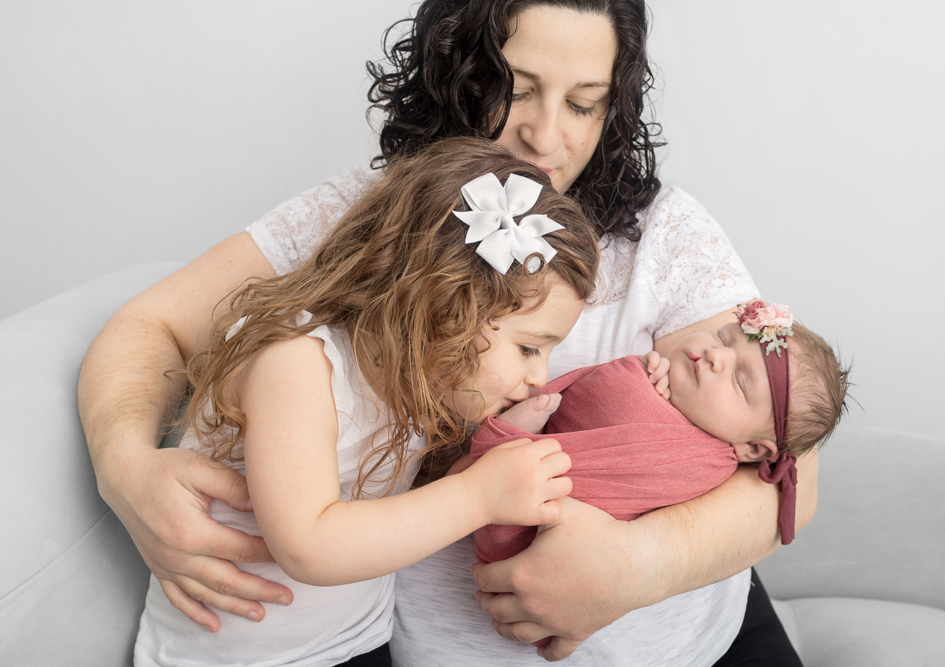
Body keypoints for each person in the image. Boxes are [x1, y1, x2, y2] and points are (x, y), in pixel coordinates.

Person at [79, 1, 818, 665]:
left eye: (585, 103)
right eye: (518, 89)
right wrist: (125, 469)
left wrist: (636, 566)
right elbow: (152, 326)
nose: (546, 136)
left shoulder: (663, 233)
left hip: (699, 647)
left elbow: (793, 459)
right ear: (456, 70)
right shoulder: (370, 223)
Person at [133, 138, 601, 666]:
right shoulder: (297, 363)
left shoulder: (415, 379)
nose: (539, 376)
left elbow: (390, 519)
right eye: (529, 348)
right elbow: (307, 544)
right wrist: (477, 496)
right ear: (446, 304)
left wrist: (484, 461)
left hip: (356, 644)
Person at [471, 306, 851, 570]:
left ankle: (503, 446)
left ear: (752, 449)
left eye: (739, 381)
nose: (717, 355)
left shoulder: (705, 464)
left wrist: (638, 392)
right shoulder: (666, 380)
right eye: (723, 336)